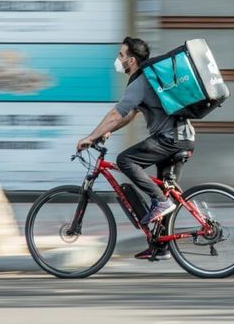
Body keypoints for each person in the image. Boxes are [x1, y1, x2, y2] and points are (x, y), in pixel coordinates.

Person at [76, 36, 195, 260]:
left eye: (121, 55)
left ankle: (161, 202)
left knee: (125, 161)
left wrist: (91, 136)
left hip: (170, 139)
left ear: (131, 61)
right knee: (165, 189)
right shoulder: (147, 80)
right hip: (182, 137)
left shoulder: (140, 82)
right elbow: (130, 114)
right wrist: (107, 131)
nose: (117, 59)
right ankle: (161, 247)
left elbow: (116, 113)